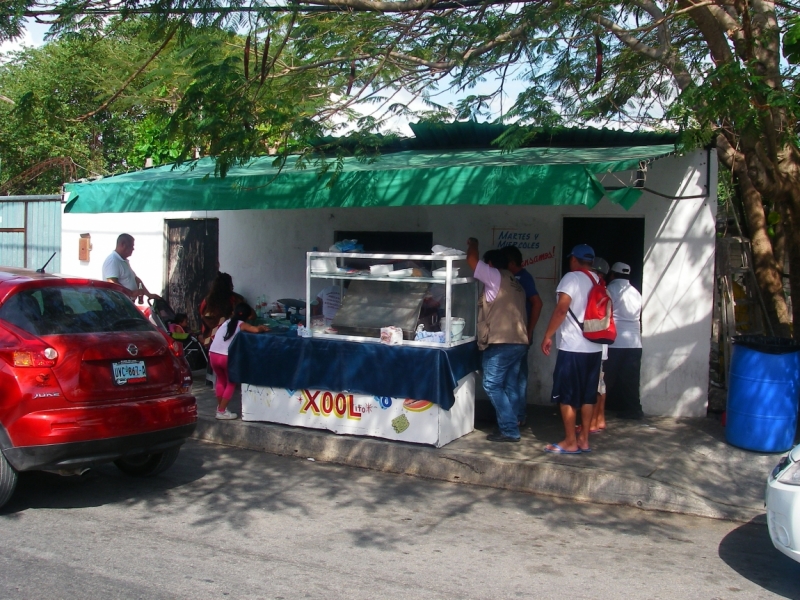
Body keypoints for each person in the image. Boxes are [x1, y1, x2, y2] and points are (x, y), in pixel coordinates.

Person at [540, 244, 604, 454]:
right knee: (587, 396)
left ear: (575, 260)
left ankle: (570, 441)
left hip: (573, 348)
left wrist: (547, 335)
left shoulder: (572, 278)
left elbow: (561, 309)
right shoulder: (598, 280)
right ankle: (584, 440)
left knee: (567, 396)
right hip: (594, 347)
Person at [467, 238, 529, 443]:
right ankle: (513, 422)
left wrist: (474, 243)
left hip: (502, 342)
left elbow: (472, 260)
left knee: (492, 384)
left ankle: (509, 429)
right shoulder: (514, 281)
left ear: (491, 264)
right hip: (519, 341)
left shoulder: (494, 276)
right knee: (510, 384)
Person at [502, 245, 543, 427]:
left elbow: (537, 303)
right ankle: (516, 415)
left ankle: (518, 416)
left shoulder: (523, 278)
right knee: (513, 377)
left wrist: (530, 330)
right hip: (511, 335)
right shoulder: (509, 277)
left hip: (520, 335)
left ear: (511, 262)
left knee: (517, 377)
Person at [209, 302, 269, 420]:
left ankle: (221, 408)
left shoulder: (226, 323)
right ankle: (221, 411)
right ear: (246, 316)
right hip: (226, 356)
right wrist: (262, 328)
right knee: (231, 382)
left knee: (220, 380)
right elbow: (255, 330)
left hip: (213, 354)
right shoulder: (241, 324)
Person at [604, 262, 644, 419]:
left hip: (615, 342)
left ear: (612, 274)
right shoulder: (636, 292)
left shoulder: (610, 290)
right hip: (634, 342)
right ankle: (634, 410)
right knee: (630, 379)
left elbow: (605, 313)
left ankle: (602, 409)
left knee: (607, 378)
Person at [102, 234, 160, 301]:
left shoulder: (123, 261)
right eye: (131, 246)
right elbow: (112, 282)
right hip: (118, 302)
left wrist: (148, 294)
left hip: (127, 301)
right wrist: (131, 293)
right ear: (122, 244)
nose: (133, 248)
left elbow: (136, 279)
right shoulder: (113, 260)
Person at [199, 272, 245, 346]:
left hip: (208, 339)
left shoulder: (207, 300)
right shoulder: (235, 299)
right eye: (230, 284)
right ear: (227, 286)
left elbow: (201, 313)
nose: (233, 286)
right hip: (227, 338)